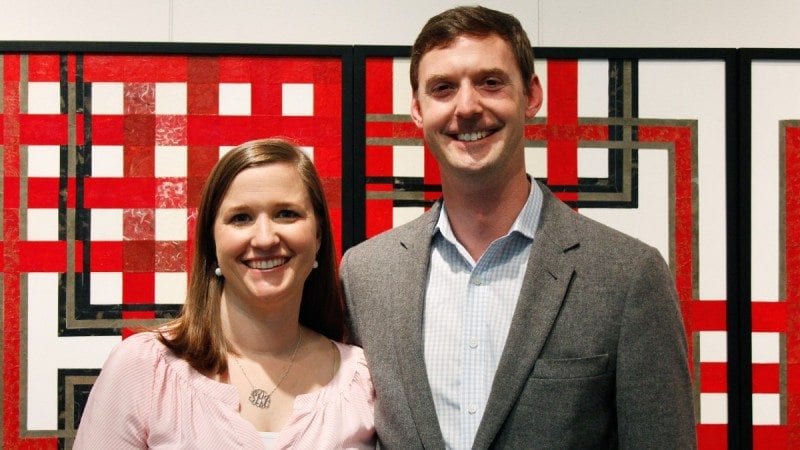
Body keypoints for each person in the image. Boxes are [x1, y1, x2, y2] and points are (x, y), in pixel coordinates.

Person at [340, 5, 696, 449]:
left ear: (531, 95)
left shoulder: (627, 274)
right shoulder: (366, 274)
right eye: (443, 89)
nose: (467, 107)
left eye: (490, 82)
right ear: (417, 110)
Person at [75, 138, 376, 449]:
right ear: (212, 243)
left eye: (286, 213)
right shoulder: (145, 367)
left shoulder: (362, 381)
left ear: (318, 236)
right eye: (240, 218)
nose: (264, 238)